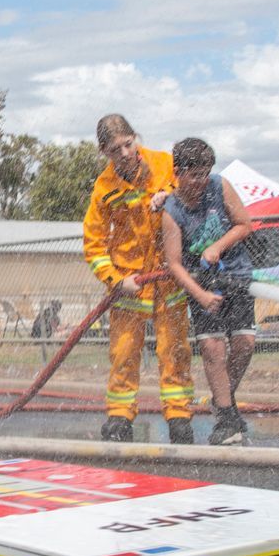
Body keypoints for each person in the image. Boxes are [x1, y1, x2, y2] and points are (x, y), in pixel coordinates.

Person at [82, 114, 193, 443]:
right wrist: (116, 281)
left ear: (136, 138)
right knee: (124, 352)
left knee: (174, 350)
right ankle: (119, 417)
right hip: (130, 284)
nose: (125, 154)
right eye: (115, 150)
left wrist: (171, 196)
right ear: (104, 152)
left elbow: (194, 194)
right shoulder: (104, 188)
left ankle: (178, 417)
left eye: (128, 144)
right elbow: (94, 245)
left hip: (169, 278)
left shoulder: (166, 165)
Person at [161, 138, 258, 446]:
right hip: (201, 284)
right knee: (213, 349)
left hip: (236, 275)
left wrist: (217, 246)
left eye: (205, 173)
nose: (201, 181)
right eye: (194, 175)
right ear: (178, 173)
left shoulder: (220, 186)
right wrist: (200, 296)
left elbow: (244, 225)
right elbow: (174, 264)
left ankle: (222, 400)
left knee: (244, 343)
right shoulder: (172, 211)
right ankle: (227, 418)